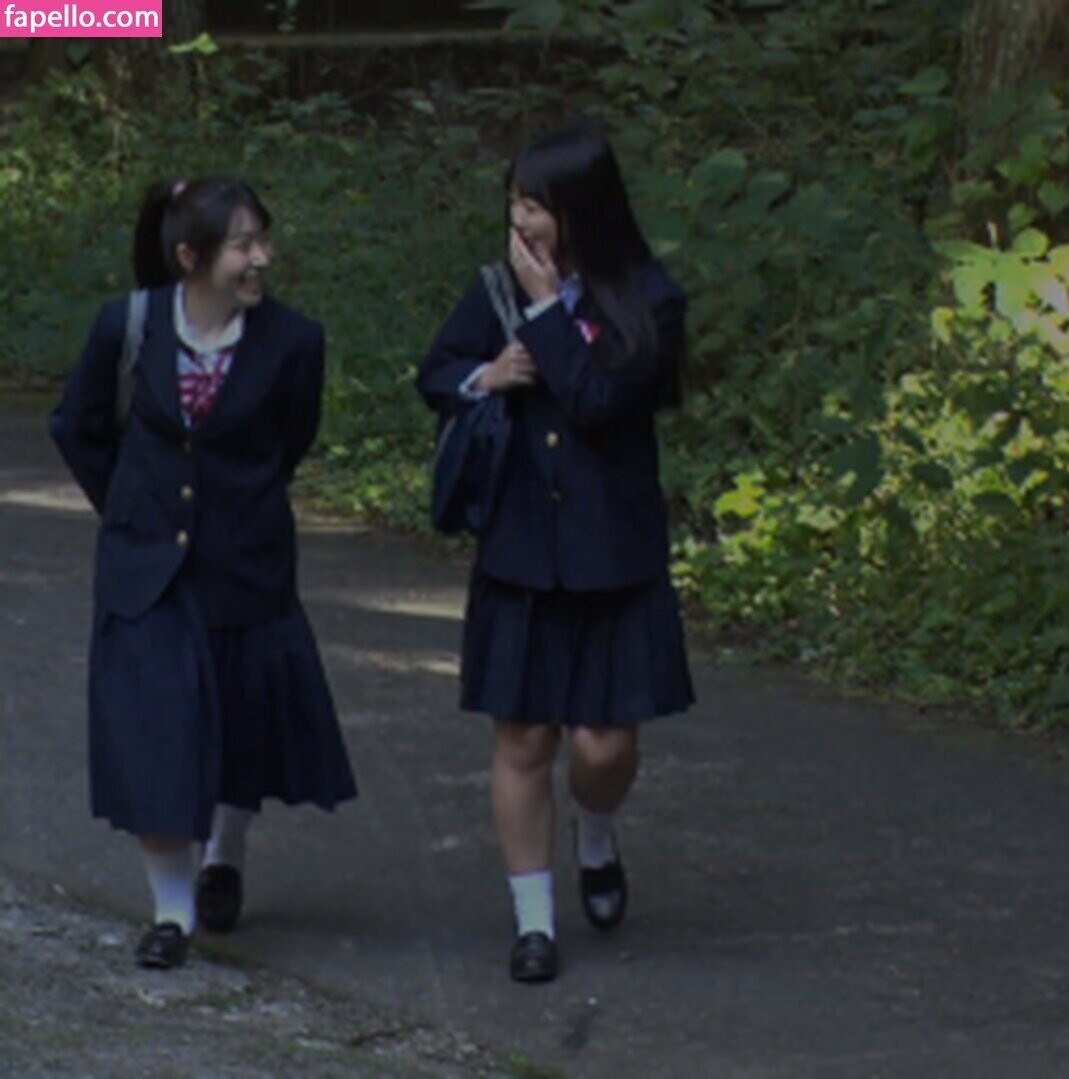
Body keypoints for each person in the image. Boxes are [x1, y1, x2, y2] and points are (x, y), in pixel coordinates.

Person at [50, 177, 357, 970]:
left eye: (264, 239)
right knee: (157, 731)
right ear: (191, 256)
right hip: (146, 572)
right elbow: (78, 424)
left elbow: (289, 440)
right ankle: (173, 910)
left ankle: (227, 852)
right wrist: (128, 507)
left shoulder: (294, 341)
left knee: (239, 726)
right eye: (243, 244)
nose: (262, 258)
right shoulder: (127, 326)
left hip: (246, 567)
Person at [417, 125, 695, 984]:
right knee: (524, 736)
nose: (521, 222)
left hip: (613, 553)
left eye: (536, 206)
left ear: (583, 210)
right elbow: (437, 371)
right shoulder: (494, 289)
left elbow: (597, 400)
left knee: (604, 746)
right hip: (521, 549)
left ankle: (596, 832)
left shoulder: (650, 298)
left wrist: (545, 314)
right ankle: (533, 921)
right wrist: (486, 376)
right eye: (515, 202)